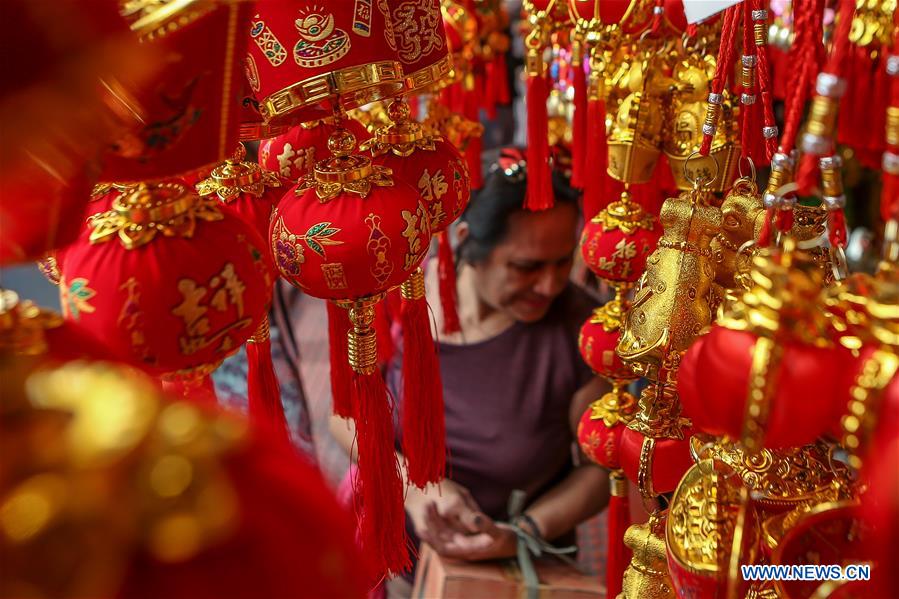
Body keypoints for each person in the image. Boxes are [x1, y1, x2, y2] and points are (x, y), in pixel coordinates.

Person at [330, 148, 610, 594]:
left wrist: (521, 533)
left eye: (563, 262)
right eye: (526, 267)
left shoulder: (583, 331)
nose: (551, 286)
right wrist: (417, 489)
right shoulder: (396, 297)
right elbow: (345, 414)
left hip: (518, 570)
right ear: (467, 241)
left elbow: (600, 470)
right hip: (392, 557)